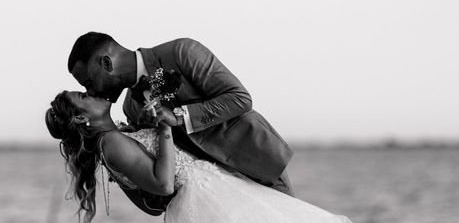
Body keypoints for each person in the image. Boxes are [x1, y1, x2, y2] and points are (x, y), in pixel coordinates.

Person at [67, 32, 294, 214]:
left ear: (106, 63)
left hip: (260, 167)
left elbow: (239, 98)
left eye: (88, 82)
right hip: (215, 198)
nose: (91, 91)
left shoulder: (182, 51)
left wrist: (179, 117)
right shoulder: (131, 109)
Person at [45, 90, 352, 223]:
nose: (90, 93)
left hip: (217, 187)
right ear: (82, 119)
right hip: (205, 198)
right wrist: (165, 125)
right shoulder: (110, 143)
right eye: (82, 97)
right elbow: (163, 183)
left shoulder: (119, 133)